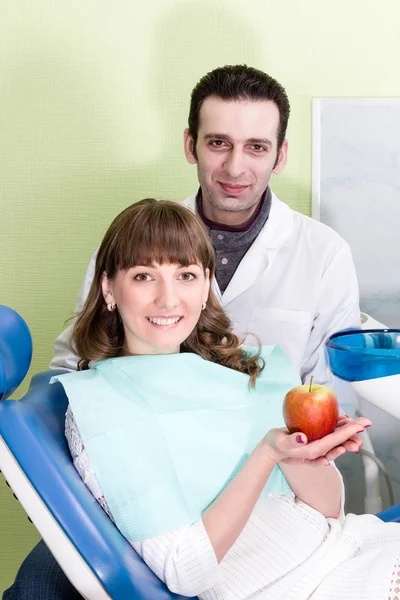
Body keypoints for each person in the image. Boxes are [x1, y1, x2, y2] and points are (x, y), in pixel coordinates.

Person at [3, 65, 361, 599]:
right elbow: (75, 371)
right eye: (218, 143)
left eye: (257, 147)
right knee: (39, 586)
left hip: (273, 499)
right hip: (148, 485)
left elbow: (325, 398)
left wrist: (293, 453)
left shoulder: (323, 253)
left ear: (280, 154)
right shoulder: (131, 242)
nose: (235, 166)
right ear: (191, 144)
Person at [13, 198, 400, 600]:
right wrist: (265, 455)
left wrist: (299, 454)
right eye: (145, 277)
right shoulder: (105, 409)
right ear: (109, 288)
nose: (168, 299)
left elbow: (329, 513)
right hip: (299, 587)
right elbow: (186, 571)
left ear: (206, 287)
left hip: (356, 546)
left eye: (186, 276)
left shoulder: (241, 370)